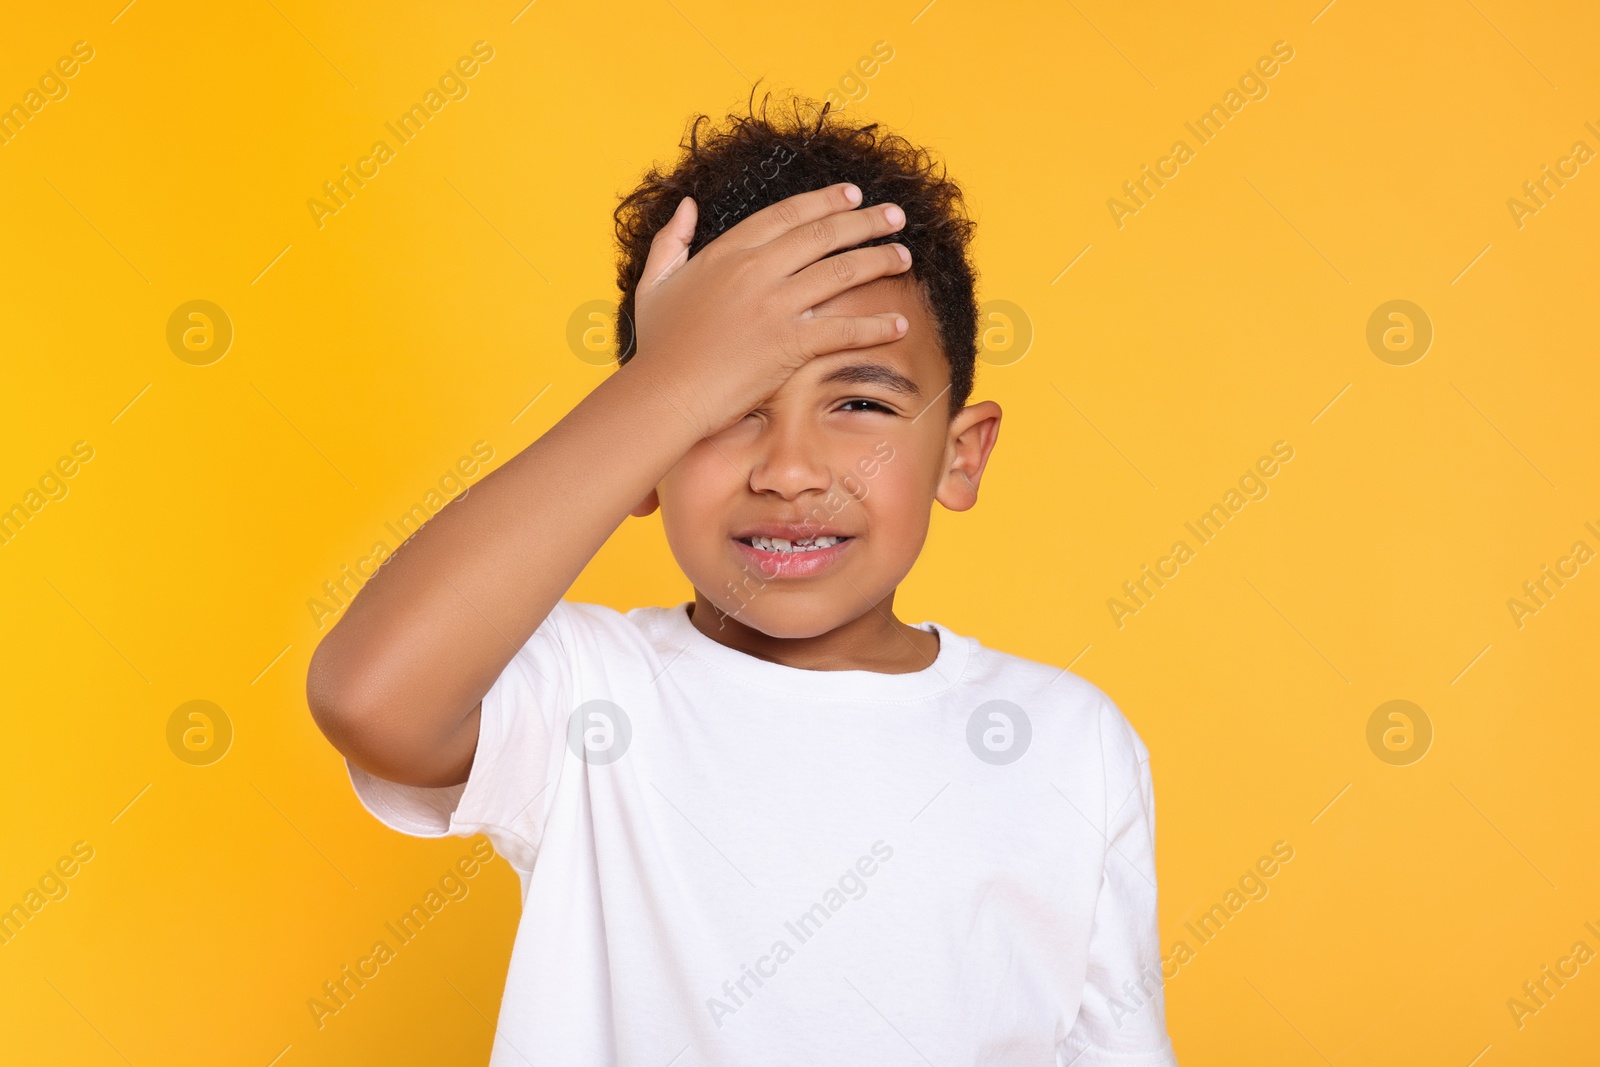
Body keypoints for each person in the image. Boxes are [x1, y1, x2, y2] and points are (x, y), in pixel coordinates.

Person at [307, 89, 1180, 1066]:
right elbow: (370, 694)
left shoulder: (1069, 739)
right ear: (644, 448)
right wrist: (668, 382)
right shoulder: (590, 694)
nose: (791, 468)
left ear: (960, 454)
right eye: (728, 409)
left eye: (857, 400)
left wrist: (694, 383)